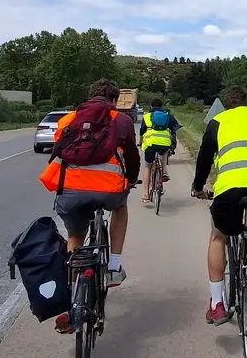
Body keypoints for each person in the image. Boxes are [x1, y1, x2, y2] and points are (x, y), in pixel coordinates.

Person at [39, 79, 140, 334]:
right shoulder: (122, 120)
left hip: (71, 191)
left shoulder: (68, 119)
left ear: (89, 96)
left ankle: (71, 300)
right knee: (121, 207)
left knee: (75, 236)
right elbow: (132, 156)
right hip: (109, 192)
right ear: (114, 100)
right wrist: (130, 180)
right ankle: (114, 266)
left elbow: (59, 151)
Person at [191, 85, 247, 325]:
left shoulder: (217, 121)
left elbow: (204, 159)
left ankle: (217, 304)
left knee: (218, 237)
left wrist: (199, 187)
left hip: (230, 187)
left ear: (226, 104)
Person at [137, 99, 180, 199]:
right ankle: (164, 172)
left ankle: (146, 194)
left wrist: (140, 143)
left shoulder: (147, 116)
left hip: (151, 143)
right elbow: (175, 128)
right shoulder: (168, 116)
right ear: (162, 106)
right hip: (164, 143)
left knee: (148, 166)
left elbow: (142, 132)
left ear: (151, 106)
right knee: (164, 153)